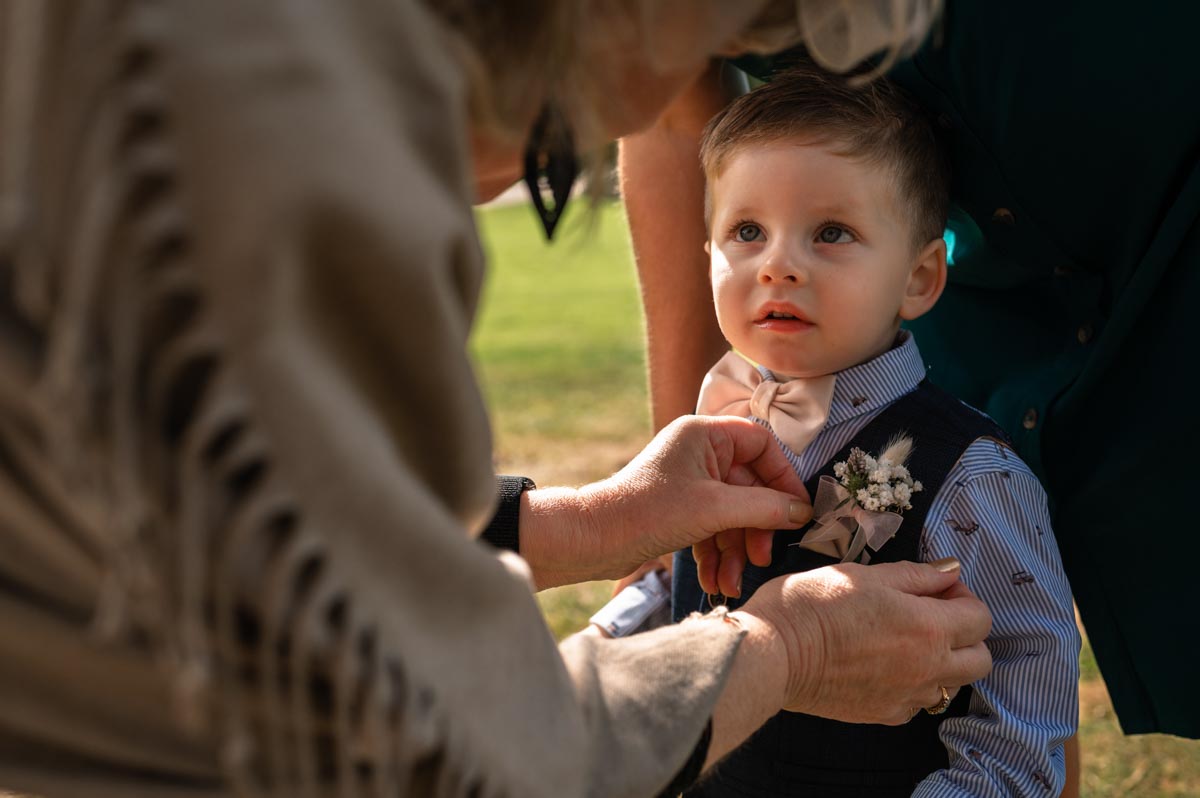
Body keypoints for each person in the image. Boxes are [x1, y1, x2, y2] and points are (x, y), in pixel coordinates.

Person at [0, 2, 994, 797]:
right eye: (718, 42)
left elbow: (238, 534)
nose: (666, 109)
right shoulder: (266, 132)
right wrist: (790, 645)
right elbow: (437, 745)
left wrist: (579, 523)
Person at [667, 64, 1079, 797]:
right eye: (747, 231)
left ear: (919, 279)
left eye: (831, 232)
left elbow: (1024, 716)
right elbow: (682, 593)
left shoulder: (973, 478)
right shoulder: (711, 427)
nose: (777, 265)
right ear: (709, 256)